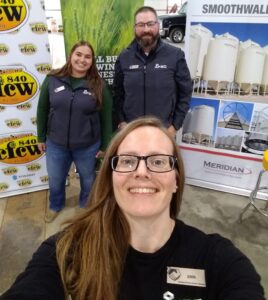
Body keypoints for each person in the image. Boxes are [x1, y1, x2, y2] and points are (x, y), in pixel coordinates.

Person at [0, 116, 265, 300]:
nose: (141, 172)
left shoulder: (219, 260)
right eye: (127, 161)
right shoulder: (70, 247)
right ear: (111, 178)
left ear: (176, 180)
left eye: (158, 162)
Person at [36, 40, 113, 223]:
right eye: (78, 54)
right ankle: (56, 206)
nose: (82, 60)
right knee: (55, 179)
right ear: (71, 55)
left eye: (87, 57)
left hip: (87, 146)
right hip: (56, 144)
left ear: (92, 61)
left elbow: (107, 118)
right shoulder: (52, 79)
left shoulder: (99, 85)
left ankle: (85, 208)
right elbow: (42, 109)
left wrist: (105, 145)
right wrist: (40, 137)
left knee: (87, 179)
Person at [113, 6, 193, 137]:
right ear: (134, 28)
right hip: (131, 133)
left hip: (163, 133)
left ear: (158, 24)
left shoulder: (175, 55)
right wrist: (122, 122)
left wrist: (174, 127)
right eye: (141, 25)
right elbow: (118, 94)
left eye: (150, 24)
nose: (146, 29)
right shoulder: (124, 58)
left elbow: (185, 92)